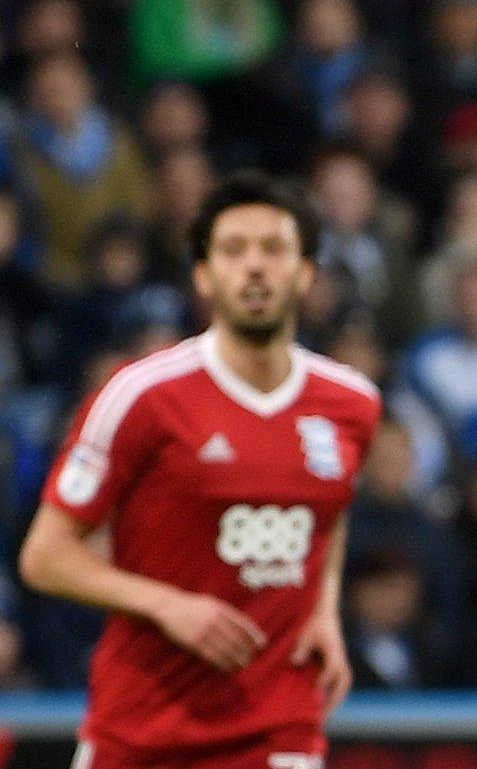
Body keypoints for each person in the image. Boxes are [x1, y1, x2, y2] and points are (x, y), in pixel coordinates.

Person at [16, 172, 383, 767]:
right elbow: (45, 555)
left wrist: (323, 608)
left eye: (274, 249)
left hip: (279, 725)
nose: (255, 267)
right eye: (234, 251)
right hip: (142, 731)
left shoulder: (352, 403)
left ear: (307, 273)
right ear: (204, 276)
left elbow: (329, 509)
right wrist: (168, 606)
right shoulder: (142, 396)